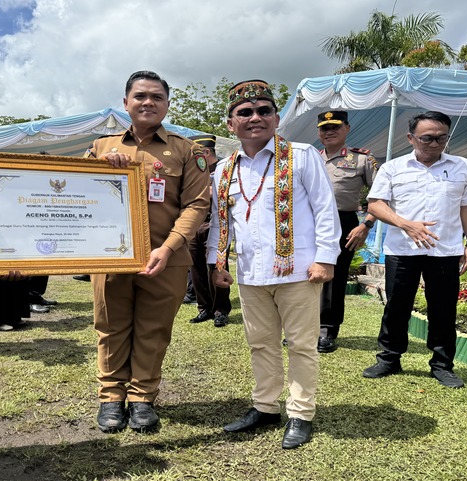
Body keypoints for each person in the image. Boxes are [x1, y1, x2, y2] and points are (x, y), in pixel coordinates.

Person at [207, 80, 340, 449]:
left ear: (276, 118)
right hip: (251, 274)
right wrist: (217, 263)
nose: (255, 117)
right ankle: (265, 407)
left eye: (264, 110)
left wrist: (325, 258)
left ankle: (300, 413)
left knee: (301, 345)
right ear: (231, 124)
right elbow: (220, 222)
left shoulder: (302, 155)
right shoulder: (224, 169)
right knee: (261, 343)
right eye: (245, 112)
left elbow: (325, 210)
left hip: (298, 271)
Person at [86, 70, 209, 433]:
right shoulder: (101, 147)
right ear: (126, 103)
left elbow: (196, 205)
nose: (148, 102)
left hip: (166, 258)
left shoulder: (187, 151)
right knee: (110, 326)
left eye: (157, 97)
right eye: (140, 96)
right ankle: (111, 397)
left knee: (153, 329)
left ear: (167, 105)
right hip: (109, 256)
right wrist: (98, 171)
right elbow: (76, 193)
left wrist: (168, 248)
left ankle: (142, 397)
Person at [363, 111, 467, 389]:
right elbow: (376, 205)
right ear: (411, 138)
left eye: (441, 138)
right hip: (402, 249)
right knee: (397, 306)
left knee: (443, 309)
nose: (434, 143)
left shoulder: (463, 167)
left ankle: (442, 365)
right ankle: (389, 358)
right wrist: (406, 225)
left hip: (445, 250)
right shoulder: (393, 168)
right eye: (427, 138)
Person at [316, 110, 379, 352]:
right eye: (324, 128)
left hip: (343, 222)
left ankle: (327, 330)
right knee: (304, 274)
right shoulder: (311, 158)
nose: (329, 132)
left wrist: (366, 224)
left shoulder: (362, 159)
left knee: (334, 276)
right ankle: (303, 327)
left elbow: (381, 195)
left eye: (335, 126)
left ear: (347, 128)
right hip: (310, 223)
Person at [187, 134, 232, 327]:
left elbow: (226, 195)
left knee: (218, 266)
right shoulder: (194, 171)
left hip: (216, 223)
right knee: (195, 267)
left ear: (206, 152)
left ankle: (221, 310)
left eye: (195, 154)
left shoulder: (224, 169)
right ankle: (204, 307)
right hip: (194, 224)